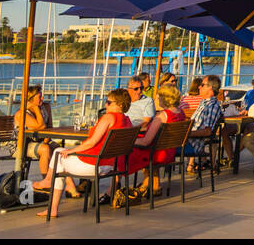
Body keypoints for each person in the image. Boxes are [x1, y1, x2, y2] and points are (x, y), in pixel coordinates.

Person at [36, 89, 132, 218]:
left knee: (58, 153)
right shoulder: (127, 121)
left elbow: (91, 142)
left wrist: (72, 150)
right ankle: (51, 197)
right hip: (109, 166)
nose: (105, 105)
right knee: (59, 156)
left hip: (93, 164)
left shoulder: (109, 117)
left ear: (119, 104)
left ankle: (49, 188)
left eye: (109, 102)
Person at [127, 84, 185, 195]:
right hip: (170, 152)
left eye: (158, 97)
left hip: (159, 155)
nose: (157, 99)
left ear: (164, 98)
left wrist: (129, 141)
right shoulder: (180, 113)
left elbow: (146, 141)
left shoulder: (161, 117)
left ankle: (144, 183)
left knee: (133, 151)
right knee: (150, 147)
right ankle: (154, 185)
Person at [15, 85, 56, 192]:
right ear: (30, 99)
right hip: (21, 145)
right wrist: (36, 109)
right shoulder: (22, 114)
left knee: (59, 150)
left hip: (39, 141)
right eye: (39, 97)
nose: (42, 98)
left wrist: (47, 139)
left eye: (42, 96)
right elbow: (41, 125)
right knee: (45, 149)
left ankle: (70, 186)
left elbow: (50, 127)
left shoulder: (45, 107)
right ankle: (47, 183)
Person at [184, 77, 224, 172]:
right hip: (186, 140)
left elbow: (207, 131)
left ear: (210, 88)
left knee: (155, 149)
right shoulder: (204, 103)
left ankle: (152, 182)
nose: (199, 87)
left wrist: (187, 134)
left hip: (191, 144)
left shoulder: (212, 106)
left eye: (202, 85)